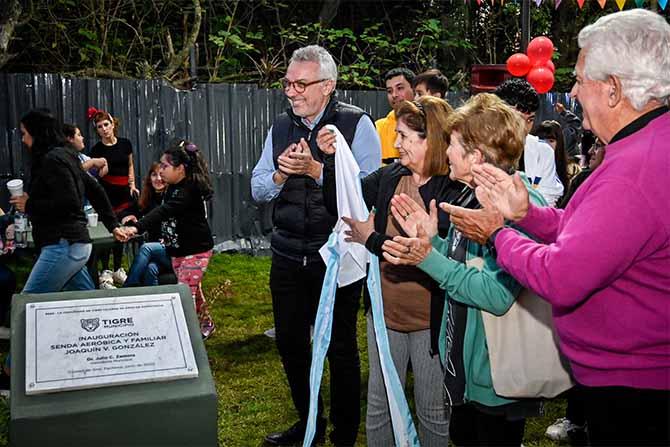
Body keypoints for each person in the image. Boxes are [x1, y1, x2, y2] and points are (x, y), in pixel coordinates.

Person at [448, 10, 670, 446]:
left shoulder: (634, 171)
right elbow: (590, 233)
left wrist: (497, 232)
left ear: (613, 90)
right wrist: (525, 213)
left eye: (581, 78)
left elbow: (562, 276)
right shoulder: (643, 148)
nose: (571, 90)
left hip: (634, 390)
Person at [381, 93, 546, 446]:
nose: (446, 151)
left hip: (497, 381)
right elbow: (462, 267)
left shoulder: (516, 207)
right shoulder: (471, 196)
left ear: (476, 156)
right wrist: (433, 243)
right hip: (469, 373)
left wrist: (427, 258)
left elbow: (497, 294)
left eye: (452, 144)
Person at [250, 45, 381, 446]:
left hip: (337, 254)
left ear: (328, 86)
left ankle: (343, 433)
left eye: (300, 84)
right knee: (291, 343)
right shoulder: (280, 126)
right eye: (288, 83)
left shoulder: (357, 125)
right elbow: (257, 189)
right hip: (288, 251)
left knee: (340, 347)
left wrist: (315, 170)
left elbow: (370, 192)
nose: (291, 92)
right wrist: (278, 175)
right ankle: (309, 423)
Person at [319, 97, 468, 446]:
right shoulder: (389, 177)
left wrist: (369, 238)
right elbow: (342, 201)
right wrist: (330, 163)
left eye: (403, 136)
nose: (396, 143)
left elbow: (414, 253)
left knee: (432, 410)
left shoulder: (452, 191)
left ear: (429, 139)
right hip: (385, 318)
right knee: (379, 404)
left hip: (430, 322)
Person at [9, 108, 125, 293]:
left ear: (37, 133)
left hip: (63, 246)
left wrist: (29, 204)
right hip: (73, 245)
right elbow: (94, 189)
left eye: (24, 134)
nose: (23, 139)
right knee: (86, 302)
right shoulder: (65, 155)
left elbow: (69, 202)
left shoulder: (52, 160)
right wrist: (113, 225)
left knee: (28, 304)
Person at [122, 140, 215, 339]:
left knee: (183, 293)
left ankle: (185, 338)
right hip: (177, 250)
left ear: (180, 169)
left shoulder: (188, 190)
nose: (161, 170)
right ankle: (206, 323)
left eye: (165, 166)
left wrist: (136, 227)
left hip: (196, 251)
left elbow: (164, 211)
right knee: (192, 290)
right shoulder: (173, 187)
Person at [494, 79, 564, 206]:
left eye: (530, 120)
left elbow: (547, 202)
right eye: (517, 119)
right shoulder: (481, 148)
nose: (524, 128)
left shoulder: (543, 152)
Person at [89, 108, 137, 283]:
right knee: (107, 232)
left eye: (106, 124)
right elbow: (93, 177)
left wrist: (132, 183)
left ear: (113, 124)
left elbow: (130, 165)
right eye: (99, 126)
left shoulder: (125, 143)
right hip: (106, 195)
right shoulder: (96, 149)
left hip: (124, 194)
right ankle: (105, 271)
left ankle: (118, 268)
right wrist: (101, 171)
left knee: (122, 230)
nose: (103, 129)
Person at [121, 162, 174, 287]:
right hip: (158, 253)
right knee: (151, 269)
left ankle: (128, 288)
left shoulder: (173, 197)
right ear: (150, 178)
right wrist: (129, 219)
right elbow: (124, 213)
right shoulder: (147, 198)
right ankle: (153, 303)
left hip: (173, 249)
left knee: (146, 248)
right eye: (154, 175)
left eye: (161, 175)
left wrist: (168, 238)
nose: (158, 179)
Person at [376, 68, 415, 164]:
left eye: (400, 88)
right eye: (389, 91)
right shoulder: (378, 127)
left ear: (414, 89)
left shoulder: (428, 124)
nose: (394, 95)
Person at [534, 120, 569, 199]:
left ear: (559, 143)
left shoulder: (569, 171)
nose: (545, 144)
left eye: (551, 141)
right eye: (541, 140)